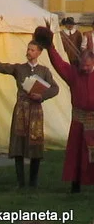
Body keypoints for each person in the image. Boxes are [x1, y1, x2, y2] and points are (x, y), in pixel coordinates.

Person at [0, 36, 59, 188]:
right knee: (19, 145)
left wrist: (41, 96)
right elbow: (1, 67)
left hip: (36, 110)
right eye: (28, 49)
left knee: (35, 146)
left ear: (39, 53)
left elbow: (55, 88)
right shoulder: (19, 68)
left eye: (32, 50)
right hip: (21, 109)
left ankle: (33, 182)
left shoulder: (44, 71)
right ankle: (20, 182)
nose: (28, 52)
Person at [41, 25, 94, 192]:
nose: (84, 68)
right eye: (82, 66)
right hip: (78, 120)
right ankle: (75, 185)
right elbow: (58, 63)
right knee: (77, 155)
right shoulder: (74, 73)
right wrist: (50, 46)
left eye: (87, 66)